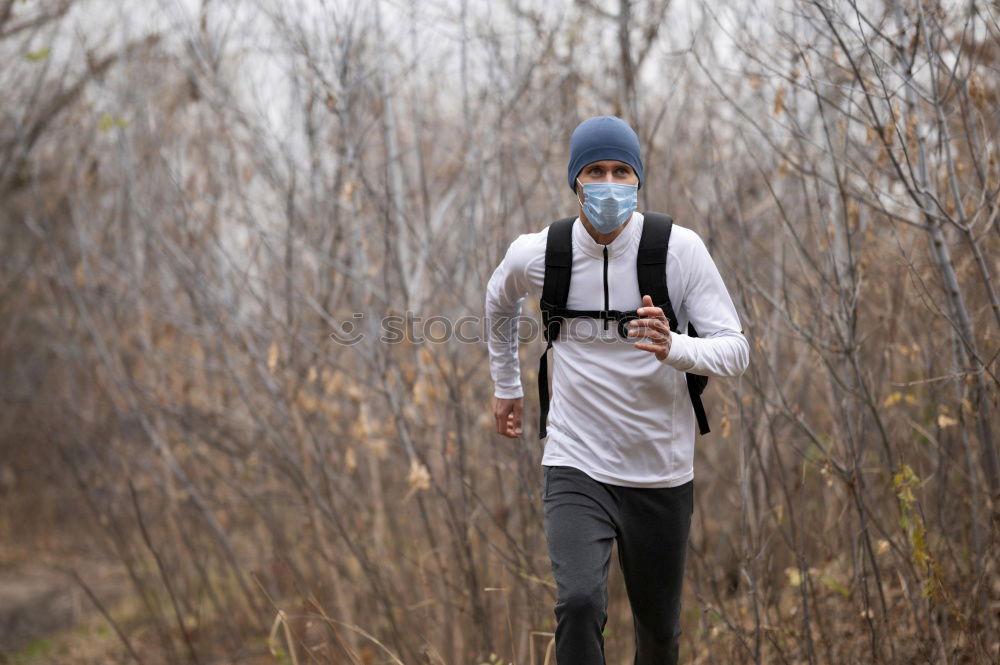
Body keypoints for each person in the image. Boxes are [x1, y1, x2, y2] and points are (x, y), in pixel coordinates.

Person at [484, 115, 749, 665]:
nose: (609, 183)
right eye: (595, 171)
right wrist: (506, 386)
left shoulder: (678, 250)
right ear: (575, 181)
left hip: (660, 468)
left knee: (659, 634)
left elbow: (735, 349)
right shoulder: (541, 253)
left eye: (621, 171)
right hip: (576, 460)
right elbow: (497, 300)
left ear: (638, 180)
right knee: (579, 603)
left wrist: (673, 345)